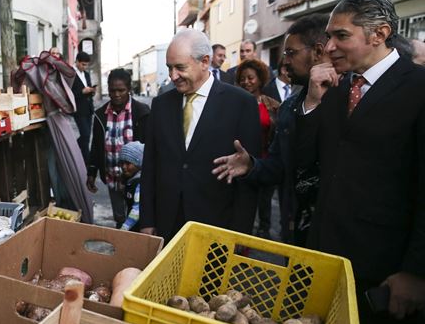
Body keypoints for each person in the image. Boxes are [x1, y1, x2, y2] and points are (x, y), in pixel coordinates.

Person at [294, 0, 425, 324]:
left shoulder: (419, 89)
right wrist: (311, 103)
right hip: (329, 261)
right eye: (328, 36)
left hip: (385, 274)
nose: (328, 46)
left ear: (380, 34)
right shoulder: (337, 88)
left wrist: (413, 270)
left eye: (340, 35)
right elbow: (304, 162)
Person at [211, 13, 329, 246]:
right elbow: (279, 167)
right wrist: (252, 165)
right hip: (296, 235)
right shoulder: (289, 109)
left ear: (317, 52)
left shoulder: (347, 101)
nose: (284, 62)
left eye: (291, 53)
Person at [140, 28, 260, 242]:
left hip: (216, 227)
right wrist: (147, 220)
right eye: (169, 68)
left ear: (205, 62)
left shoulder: (241, 104)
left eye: (180, 68)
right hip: (167, 225)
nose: (172, 76)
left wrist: (241, 234)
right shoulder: (160, 106)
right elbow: (150, 166)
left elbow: (248, 179)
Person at [87, 68, 150, 227]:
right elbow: (96, 145)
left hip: (136, 180)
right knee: (120, 218)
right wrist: (92, 172)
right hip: (112, 177)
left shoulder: (141, 112)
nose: (116, 94)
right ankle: (122, 243)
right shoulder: (100, 114)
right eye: (112, 90)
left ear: (129, 89)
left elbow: (149, 146)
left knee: (137, 216)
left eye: (121, 90)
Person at [236, 59, 279, 240]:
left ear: (260, 80)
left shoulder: (272, 105)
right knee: (243, 202)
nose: (246, 82)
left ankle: (263, 229)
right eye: (243, 78)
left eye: (251, 78)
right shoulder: (234, 103)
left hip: (264, 159)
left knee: (264, 199)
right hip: (239, 161)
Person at [71, 51, 96, 163]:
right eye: (83, 64)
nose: (85, 67)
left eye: (86, 65)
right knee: (85, 135)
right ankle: (86, 160)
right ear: (77, 62)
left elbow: (88, 89)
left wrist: (92, 91)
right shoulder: (71, 74)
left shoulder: (86, 74)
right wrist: (82, 91)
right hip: (79, 109)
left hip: (89, 108)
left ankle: (77, 152)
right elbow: (70, 94)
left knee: (86, 137)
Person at [118, 141, 144, 232]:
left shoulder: (139, 183)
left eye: (128, 163)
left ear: (138, 164)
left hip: (138, 229)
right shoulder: (129, 180)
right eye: (122, 163)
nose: (124, 167)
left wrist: (125, 227)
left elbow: (137, 210)